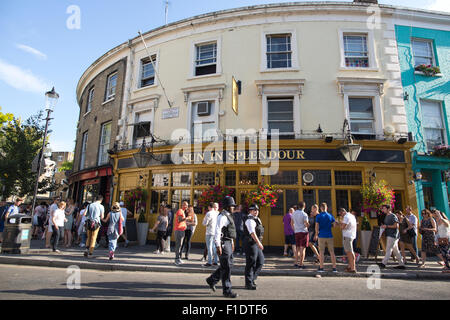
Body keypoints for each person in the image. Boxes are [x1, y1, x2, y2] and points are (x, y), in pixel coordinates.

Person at [206, 196, 238, 298]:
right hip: (223, 243)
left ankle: (212, 279)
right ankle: (227, 290)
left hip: (228, 242)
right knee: (227, 268)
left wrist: (232, 242)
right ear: (227, 206)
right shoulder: (222, 216)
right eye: (232, 206)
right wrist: (218, 245)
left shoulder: (229, 215)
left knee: (228, 264)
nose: (233, 207)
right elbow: (218, 231)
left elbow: (228, 231)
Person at [243, 204, 264, 290]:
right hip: (251, 243)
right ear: (250, 211)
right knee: (251, 262)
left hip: (256, 243)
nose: (256, 212)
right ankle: (248, 283)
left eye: (257, 210)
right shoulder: (249, 220)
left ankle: (252, 279)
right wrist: (259, 243)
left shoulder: (257, 219)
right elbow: (252, 233)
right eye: (254, 210)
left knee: (261, 261)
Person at [378, 204, 405, 269]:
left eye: (384, 208)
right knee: (396, 250)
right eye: (382, 209)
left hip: (393, 235)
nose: (382, 210)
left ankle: (383, 263)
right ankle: (401, 264)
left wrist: (386, 226)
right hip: (389, 234)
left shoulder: (393, 216)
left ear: (388, 209)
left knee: (388, 249)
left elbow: (396, 226)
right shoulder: (386, 216)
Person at [314, 203, 338, 273]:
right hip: (329, 235)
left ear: (321, 208)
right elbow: (334, 225)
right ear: (326, 208)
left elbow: (316, 226)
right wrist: (329, 226)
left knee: (321, 252)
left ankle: (321, 268)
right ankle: (334, 268)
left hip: (321, 235)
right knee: (332, 252)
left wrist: (316, 234)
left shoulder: (318, 216)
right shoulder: (330, 216)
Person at [337, 208, 357, 273]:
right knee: (351, 251)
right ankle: (350, 266)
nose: (341, 216)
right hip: (352, 235)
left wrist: (339, 223)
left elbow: (342, 227)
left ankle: (352, 268)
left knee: (349, 252)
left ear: (342, 212)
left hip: (347, 236)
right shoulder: (351, 215)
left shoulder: (346, 217)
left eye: (341, 215)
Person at [291, 201, 309, 269]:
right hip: (303, 232)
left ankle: (296, 262)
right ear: (304, 206)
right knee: (303, 249)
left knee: (297, 248)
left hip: (297, 232)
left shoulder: (294, 213)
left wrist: (294, 229)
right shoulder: (304, 214)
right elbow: (306, 224)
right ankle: (301, 264)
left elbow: (291, 223)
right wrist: (308, 225)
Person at [203, 202, 219, 267]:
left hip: (209, 232)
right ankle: (215, 261)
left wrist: (205, 223)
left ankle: (209, 261)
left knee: (209, 247)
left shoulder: (209, 213)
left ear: (209, 207)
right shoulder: (217, 213)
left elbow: (205, 223)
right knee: (214, 247)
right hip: (215, 232)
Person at [174, 201, 188, 265]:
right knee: (178, 245)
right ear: (182, 205)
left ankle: (178, 258)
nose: (186, 206)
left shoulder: (183, 212)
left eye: (187, 205)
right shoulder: (180, 211)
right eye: (185, 205)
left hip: (181, 230)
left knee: (180, 245)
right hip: (178, 230)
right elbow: (179, 220)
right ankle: (176, 259)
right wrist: (186, 218)